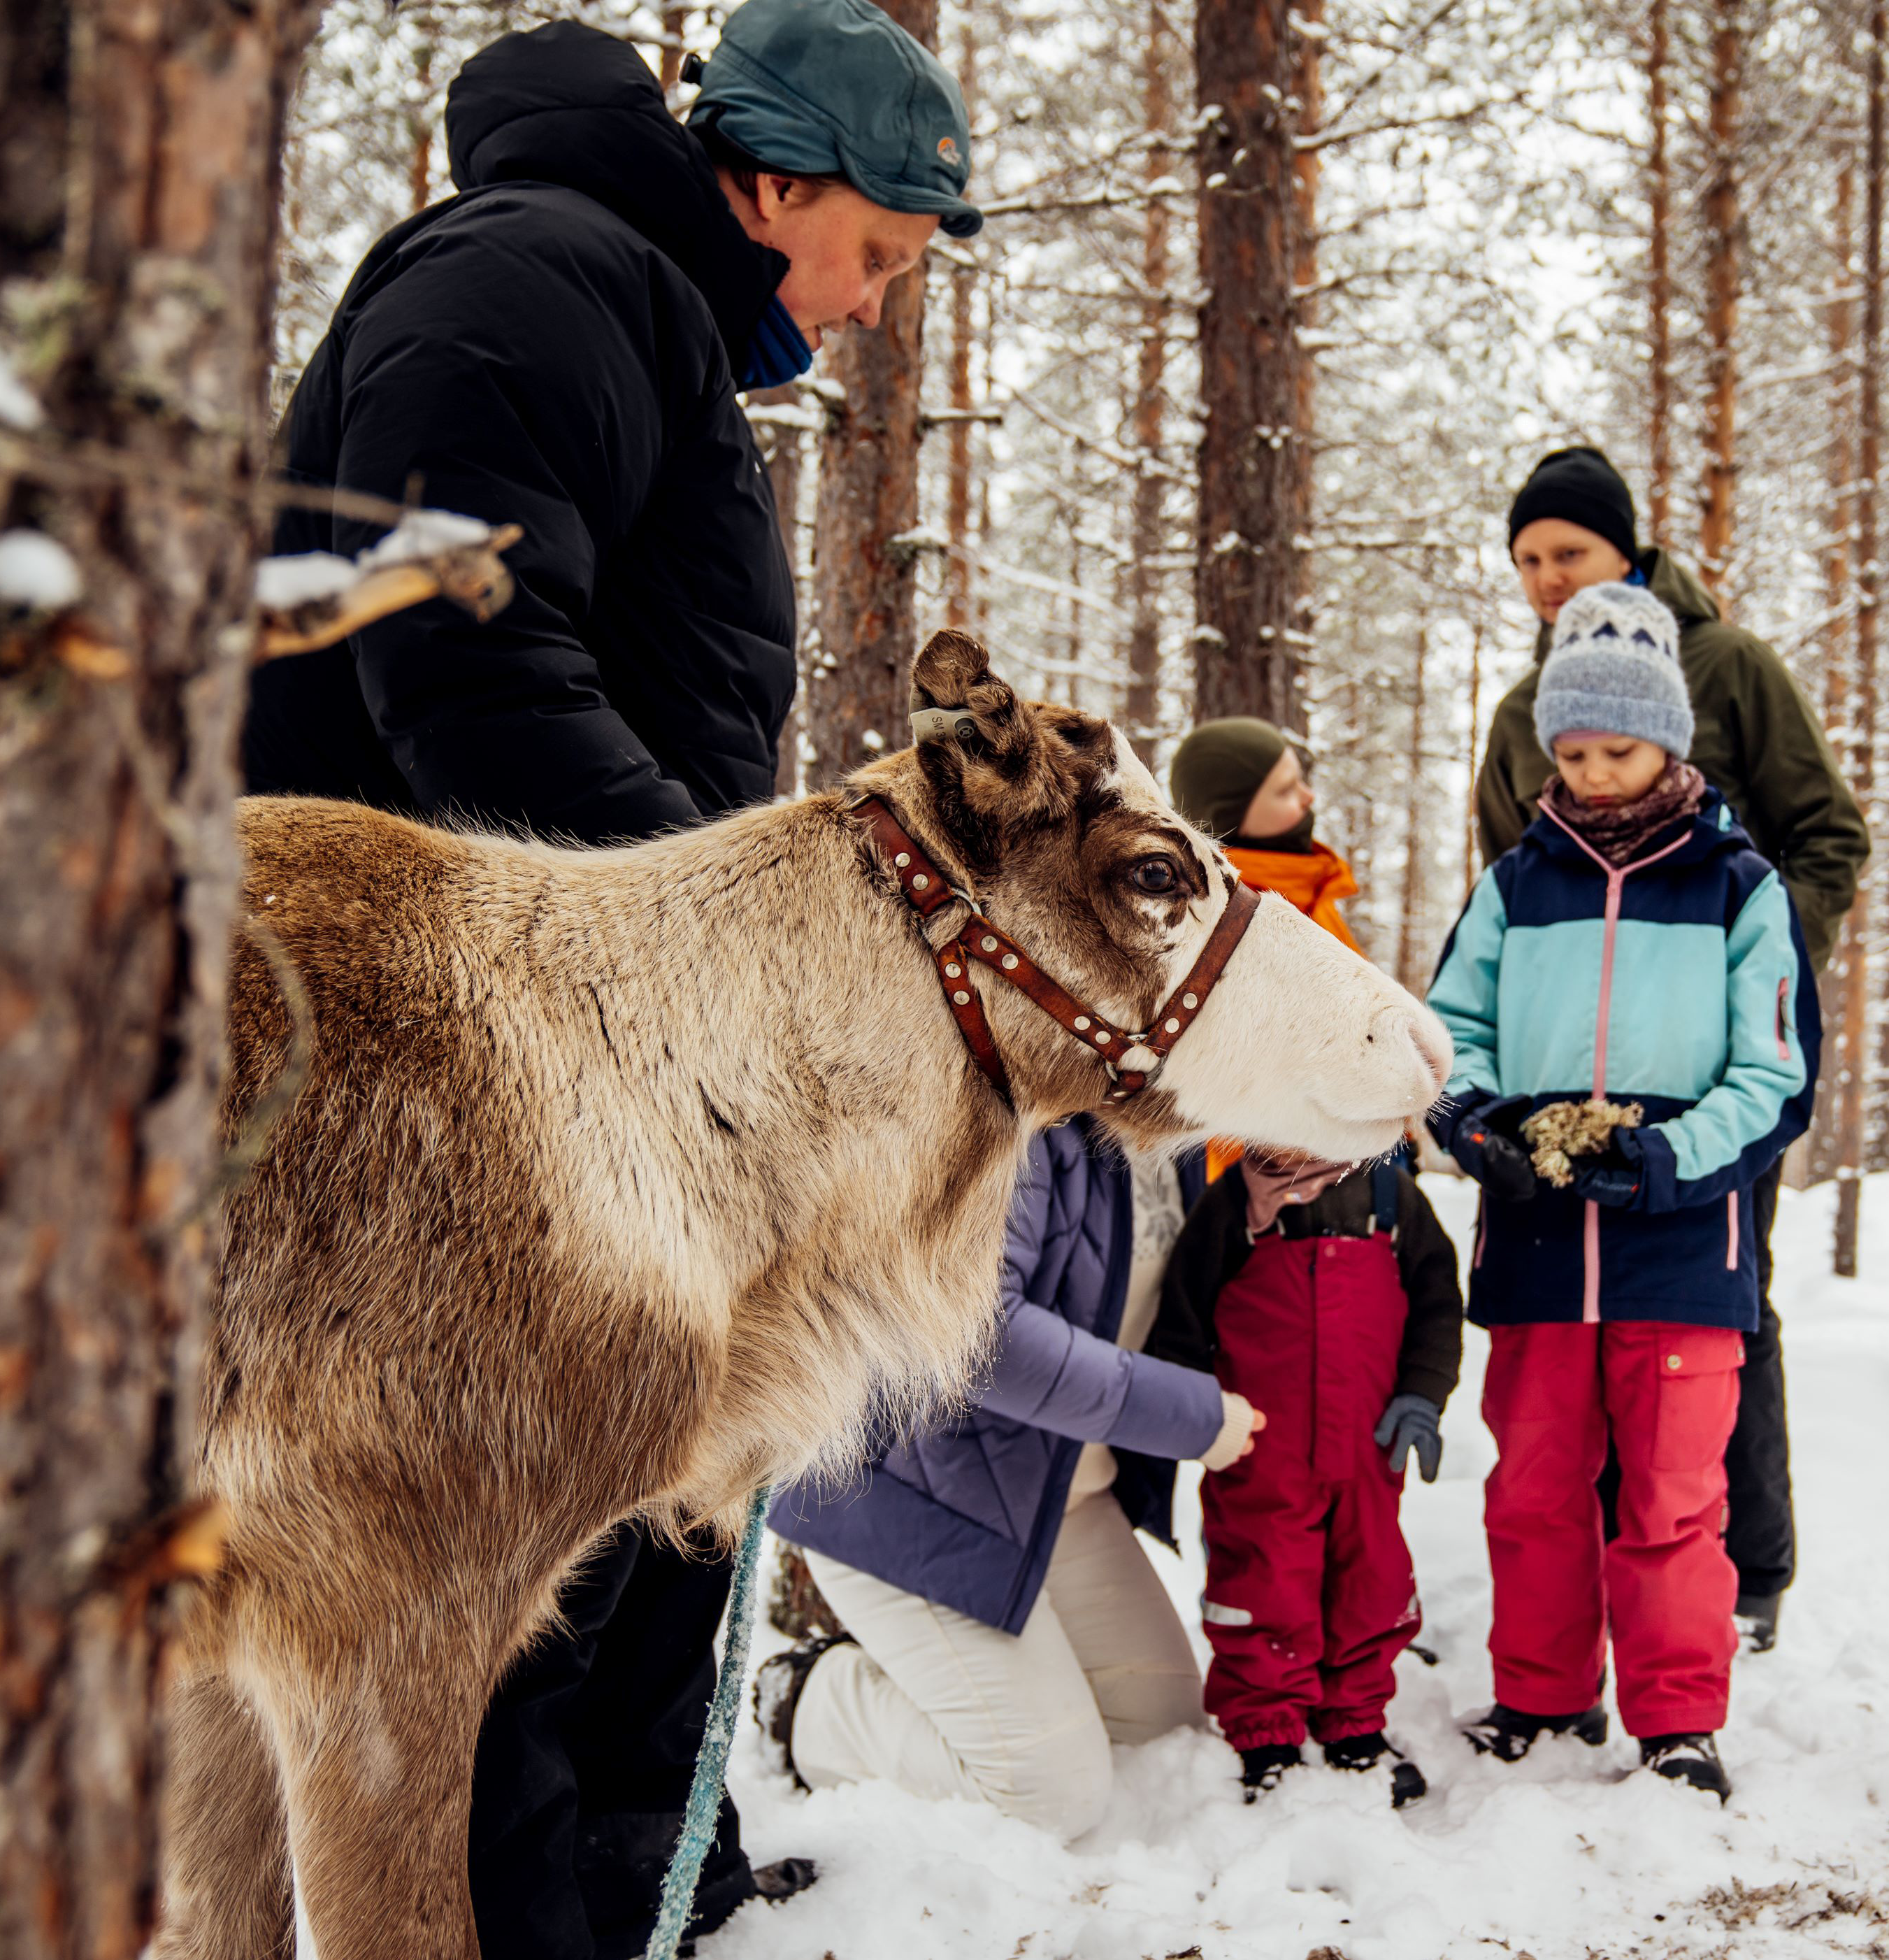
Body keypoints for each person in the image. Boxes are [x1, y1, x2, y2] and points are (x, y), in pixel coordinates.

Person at [245, 2, 981, 1952]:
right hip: (446, 1069)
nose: (876, 306)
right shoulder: (532, 275)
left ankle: (653, 1891)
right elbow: (466, 660)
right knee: (506, 1586)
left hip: (554, 1055)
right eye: (878, 254)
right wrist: (713, 963)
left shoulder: (619, 304)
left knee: (633, 1532)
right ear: (771, 182)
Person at [1430, 582, 1820, 1804]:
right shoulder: (1514, 883)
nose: (1593, 773)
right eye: (1573, 750)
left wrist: (1664, 1159)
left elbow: (1773, 1074)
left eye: (1620, 747)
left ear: (1671, 741)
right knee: (1535, 1485)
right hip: (1538, 1239)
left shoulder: (1734, 888)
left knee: (1670, 1497)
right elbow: (1450, 1032)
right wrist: (1478, 1123)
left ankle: (1675, 1715)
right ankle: (1542, 1693)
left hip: (1679, 1246)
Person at [1479, 447, 1868, 1652]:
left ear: (1627, 548)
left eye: (1569, 554)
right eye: (1528, 561)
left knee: (1716, 1307)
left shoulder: (1728, 665)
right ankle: (1603, 1575)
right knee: (1577, 1330)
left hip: (1713, 1076)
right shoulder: (1518, 712)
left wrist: (1737, 964)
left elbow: (1825, 833)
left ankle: (1744, 1571)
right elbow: (1500, 880)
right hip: (1566, 1080)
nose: (1547, 579)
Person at [759, 1121, 1262, 1840]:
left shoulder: (1179, 1129)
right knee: (1048, 1796)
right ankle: (811, 1700)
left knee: (1158, 1736)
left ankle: (970, 1683)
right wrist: (1191, 1417)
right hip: (916, 1502)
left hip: (1062, 1499)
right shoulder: (1031, 1120)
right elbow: (982, 1330)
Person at [1163, 720, 1465, 1808]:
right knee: (1263, 1568)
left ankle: (1353, 1714)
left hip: (1361, 1426)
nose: (1304, 792)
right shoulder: (1223, 915)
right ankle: (1265, 1721)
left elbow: (1434, 1296)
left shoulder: (1391, 1199)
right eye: (1282, 782)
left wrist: (1422, 1394)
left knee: (1368, 1568)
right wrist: (1195, 1399)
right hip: (1265, 1412)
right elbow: (1194, 1299)